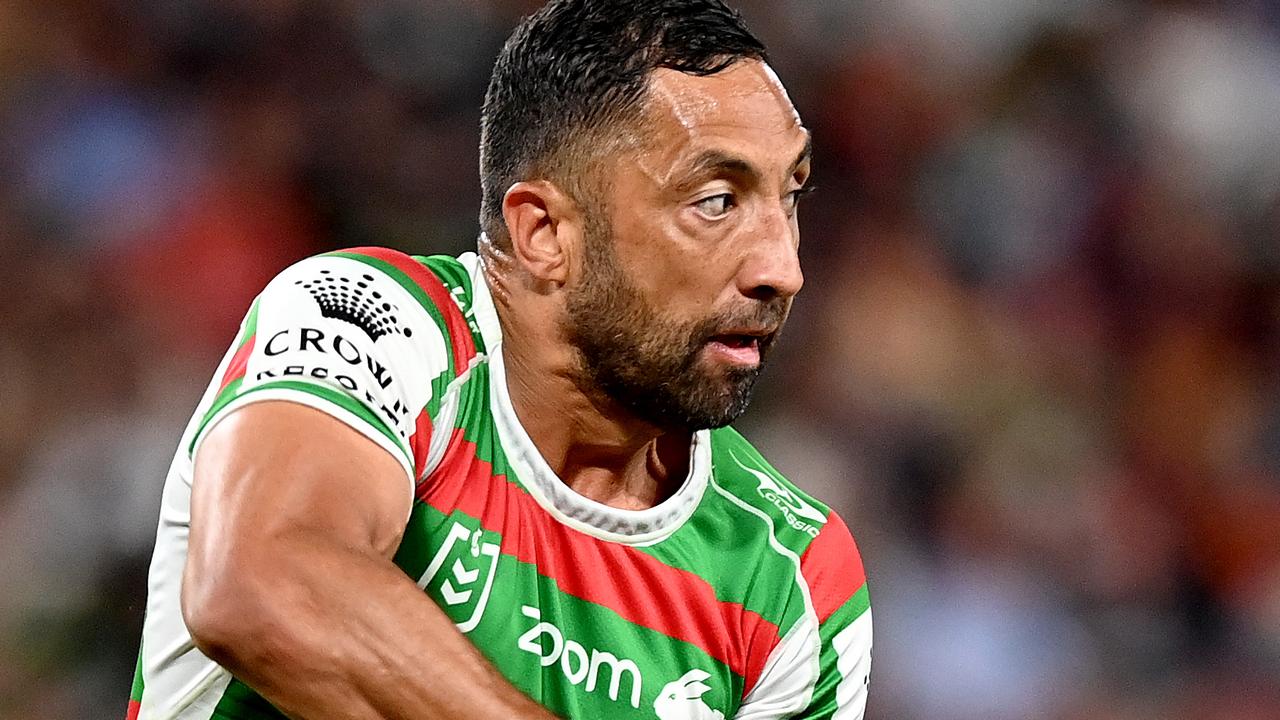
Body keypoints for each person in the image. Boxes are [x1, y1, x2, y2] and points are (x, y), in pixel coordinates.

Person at [126, 1, 872, 718]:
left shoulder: (791, 580)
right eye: (716, 200)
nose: (783, 267)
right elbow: (261, 584)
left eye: (791, 195)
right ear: (545, 232)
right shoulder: (370, 322)